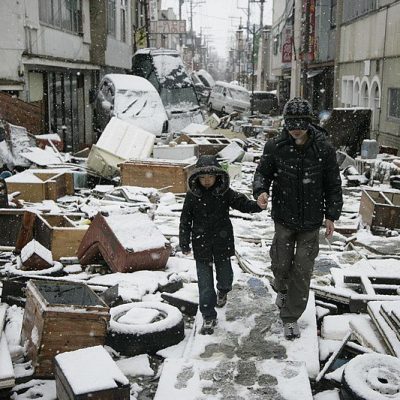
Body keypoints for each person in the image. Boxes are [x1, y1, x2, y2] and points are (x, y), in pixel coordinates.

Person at [253, 97, 343, 340]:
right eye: (291, 122)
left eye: (300, 123)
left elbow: (333, 184)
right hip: (283, 216)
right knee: (281, 263)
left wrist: (331, 215)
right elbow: (263, 173)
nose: (295, 128)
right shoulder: (275, 146)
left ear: (308, 123)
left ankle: (290, 316)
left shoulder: (323, 148)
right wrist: (261, 191)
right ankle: (281, 286)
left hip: (311, 220)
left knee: (303, 268)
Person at [179, 155, 265, 335]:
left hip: (222, 243)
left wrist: (257, 205)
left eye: (210, 177)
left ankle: (223, 291)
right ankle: (208, 316)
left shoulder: (224, 192)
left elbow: (242, 203)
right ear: (197, 178)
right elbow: (185, 220)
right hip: (201, 244)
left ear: (218, 176)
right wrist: (184, 242)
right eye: (202, 177)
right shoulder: (192, 195)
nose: (207, 181)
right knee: (205, 284)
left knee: (226, 278)